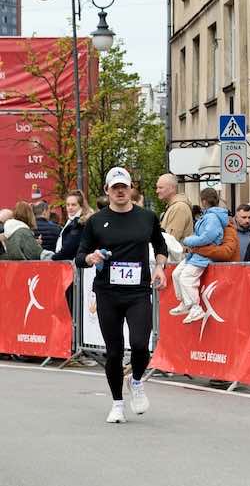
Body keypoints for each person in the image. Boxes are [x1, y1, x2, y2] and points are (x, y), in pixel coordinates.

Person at [75, 168, 168, 423]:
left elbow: (160, 244)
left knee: (140, 345)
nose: (119, 191)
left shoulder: (146, 217)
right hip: (108, 293)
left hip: (138, 292)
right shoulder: (96, 221)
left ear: (130, 189)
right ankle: (117, 404)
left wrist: (160, 267)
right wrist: (91, 257)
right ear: (107, 190)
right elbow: (80, 256)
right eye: (114, 187)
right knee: (114, 352)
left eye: (123, 187)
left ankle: (135, 381)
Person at [169, 188, 228, 323]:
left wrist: (188, 240)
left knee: (186, 278)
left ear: (204, 201)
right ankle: (185, 303)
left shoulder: (212, 217)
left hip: (203, 254)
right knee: (176, 274)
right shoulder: (209, 216)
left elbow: (207, 237)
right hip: (197, 253)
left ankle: (196, 308)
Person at [156, 174, 194, 244]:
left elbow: (171, 240)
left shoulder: (179, 207)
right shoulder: (174, 206)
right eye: (157, 188)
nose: (157, 191)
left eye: (160, 188)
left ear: (172, 188)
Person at [54, 192, 92, 262]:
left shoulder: (80, 223)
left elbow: (68, 249)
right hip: (71, 262)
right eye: (68, 205)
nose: (70, 207)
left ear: (81, 206)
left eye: (73, 205)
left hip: (76, 264)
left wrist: (53, 257)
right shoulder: (72, 220)